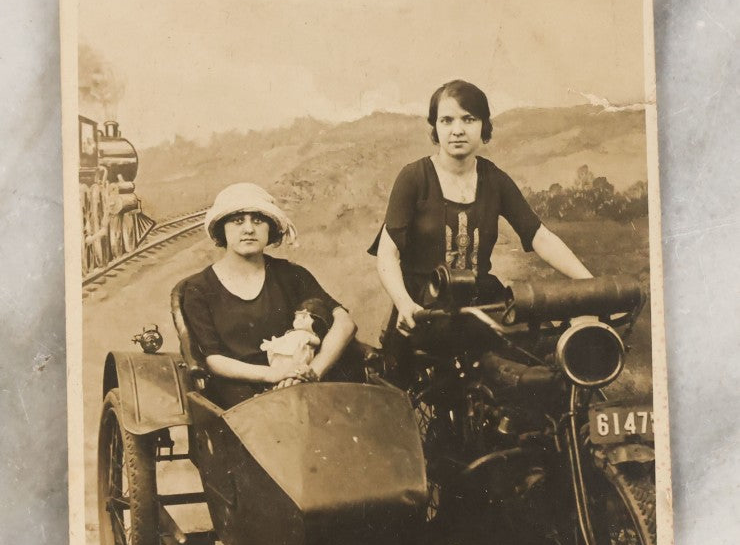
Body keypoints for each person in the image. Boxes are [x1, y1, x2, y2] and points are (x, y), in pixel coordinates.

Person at [370, 78, 592, 336]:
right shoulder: (413, 178)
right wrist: (404, 303)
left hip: (481, 302)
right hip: (423, 307)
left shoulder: (494, 179)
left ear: (483, 126)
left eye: (469, 119)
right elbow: (388, 254)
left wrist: (592, 286)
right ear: (435, 127)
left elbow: (539, 236)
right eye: (447, 120)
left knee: (538, 342)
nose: (457, 130)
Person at [181, 183, 357, 408]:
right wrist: (273, 375)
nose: (248, 229)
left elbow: (344, 322)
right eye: (237, 221)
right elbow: (214, 360)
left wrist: (312, 372)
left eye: (258, 220)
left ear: (270, 228)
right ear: (222, 229)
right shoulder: (199, 288)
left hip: (301, 385)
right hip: (241, 393)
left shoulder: (291, 275)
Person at [260, 298, 331, 372]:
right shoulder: (291, 332)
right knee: (277, 361)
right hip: (284, 352)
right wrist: (274, 343)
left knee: (293, 366)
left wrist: (309, 340)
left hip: (297, 357)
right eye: (296, 318)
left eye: (304, 317)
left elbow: (317, 341)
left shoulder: (309, 335)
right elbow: (285, 339)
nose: (298, 320)